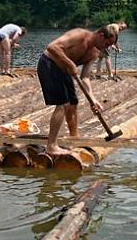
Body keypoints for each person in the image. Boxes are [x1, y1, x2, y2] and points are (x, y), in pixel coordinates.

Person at [37, 24, 119, 155]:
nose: (107, 48)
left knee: (73, 103)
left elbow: (85, 77)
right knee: (62, 104)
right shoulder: (79, 35)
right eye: (107, 44)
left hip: (65, 70)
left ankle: (74, 139)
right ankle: (51, 146)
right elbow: (52, 47)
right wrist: (70, 63)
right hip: (49, 64)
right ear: (101, 35)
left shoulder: (95, 52)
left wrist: (93, 100)